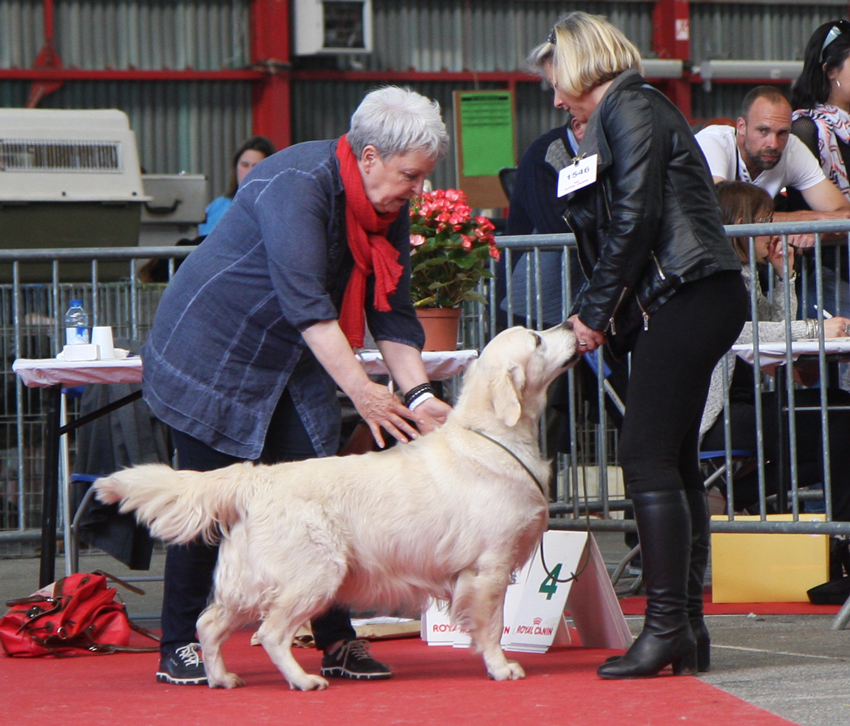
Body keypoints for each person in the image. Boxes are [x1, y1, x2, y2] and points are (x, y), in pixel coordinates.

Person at [142, 86, 452, 686]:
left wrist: (419, 398)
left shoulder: (388, 204)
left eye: (423, 177)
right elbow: (308, 306)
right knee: (211, 498)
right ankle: (179, 641)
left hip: (294, 357)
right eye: (412, 175)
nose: (420, 189)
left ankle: (337, 641)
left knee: (324, 499)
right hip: (215, 350)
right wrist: (365, 392)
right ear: (368, 157)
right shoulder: (297, 184)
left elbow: (393, 311)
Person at [533, 12, 748, 679]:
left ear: (581, 66)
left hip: (686, 292)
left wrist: (593, 315)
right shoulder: (620, 116)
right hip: (686, 294)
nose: (555, 96)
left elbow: (635, 218)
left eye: (557, 82)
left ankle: (664, 629)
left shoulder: (631, 106)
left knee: (645, 455)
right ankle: (684, 629)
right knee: (674, 461)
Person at [701, 181, 850, 520]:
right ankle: (842, 532)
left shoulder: (744, 273)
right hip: (717, 418)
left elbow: (775, 328)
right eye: (767, 222)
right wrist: (815, 328)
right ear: (742, 225)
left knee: (836, 407)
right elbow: (739, 332)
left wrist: (786, 276)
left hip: (741, 405)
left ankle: (748, 491)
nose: (775, 232)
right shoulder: (717, 273)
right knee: (839, 418)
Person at [198, 135, 277, 235]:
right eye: (245, 165)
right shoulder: (218, 206)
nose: (249, 172)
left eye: (256, 166)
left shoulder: (277, 209)